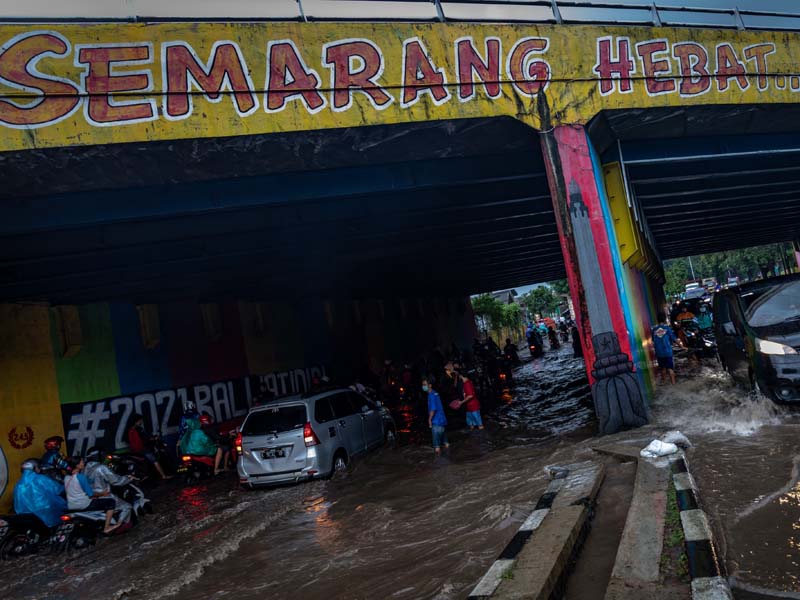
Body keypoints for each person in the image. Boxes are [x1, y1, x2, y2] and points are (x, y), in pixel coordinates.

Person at [64, 457, 120, 534]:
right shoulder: (80, 477)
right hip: (83, 504)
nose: (83, 463)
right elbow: (91, 494)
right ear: (77, 465)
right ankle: (107, 527)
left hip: (70, 506)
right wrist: (103, 493)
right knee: (111, 502)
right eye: (82, 462)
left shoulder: (66, 478)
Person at [84, 447, 134, 527]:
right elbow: (116, 481)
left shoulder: (84, 469)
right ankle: (121, 525)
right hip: (104, 496)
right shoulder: (101, 467)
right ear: (98, 456)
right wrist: (128, 478)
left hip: (91, 498)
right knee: (127, 506)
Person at [13, 458, 67, 530]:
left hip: (26, 515)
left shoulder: (18, 484)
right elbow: (58, 489)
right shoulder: (40, 478)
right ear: (35, 468)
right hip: (46, 512)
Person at [127, 414, 171, 480]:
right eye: (140, 420)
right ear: (136, 421)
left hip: (136, 450)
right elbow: (145, 438)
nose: (141, 422)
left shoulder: (130, 430)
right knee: (155, 461)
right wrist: (154, 438)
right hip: (142, 449)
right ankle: (163, 476)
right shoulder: (138, 429)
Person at [652, 312, 680, 385]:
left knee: (663, 369)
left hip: (659, 352)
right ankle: (673, 384)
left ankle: (664, 383)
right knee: (670, 369)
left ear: (657, 320)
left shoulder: (654, 329)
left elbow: (653, 340)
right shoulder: (667, 328)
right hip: (667, 352)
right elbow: (674, 339)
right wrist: (681, 346)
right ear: (664, 319)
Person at [424, 378, 448, 456]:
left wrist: (429, 419)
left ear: (430, 385)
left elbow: (433, 409)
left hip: (436, 423)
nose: (423, 386)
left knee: (437, 448)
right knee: (446, 444)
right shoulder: (435, 393)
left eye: (424, 384)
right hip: (442, 421)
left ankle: (439, 466)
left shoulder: (431, 395)